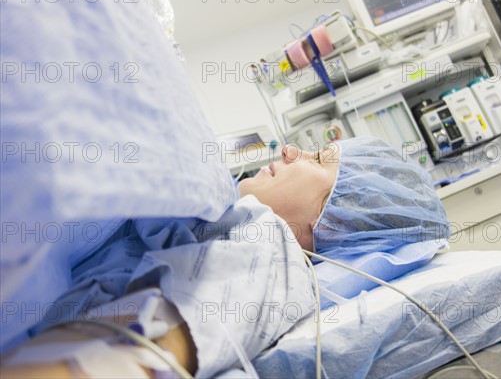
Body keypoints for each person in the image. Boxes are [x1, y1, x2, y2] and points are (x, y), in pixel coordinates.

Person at [0, 137, 449, 378]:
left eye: (317, 158)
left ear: (339, 220)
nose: (290, 150)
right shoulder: (232, 219)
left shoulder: (273, 258)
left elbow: (132, 347)